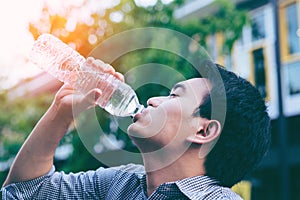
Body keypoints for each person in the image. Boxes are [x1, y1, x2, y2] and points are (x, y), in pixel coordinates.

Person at [1, 57, 270, 199]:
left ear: (202, 131)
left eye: (175, 96)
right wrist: (60, 113)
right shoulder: (122, 183)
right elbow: (28, 192)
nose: (153, 99)